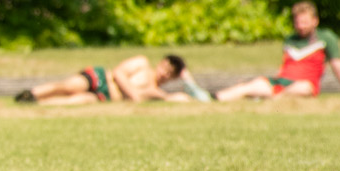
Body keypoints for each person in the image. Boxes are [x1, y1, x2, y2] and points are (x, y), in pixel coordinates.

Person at [215, 0, 340, 100]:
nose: (301, 26)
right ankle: (212, 99)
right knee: (249, 86)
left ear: (315, 21)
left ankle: (270, 99)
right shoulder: (290, 39)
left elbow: (339, 67)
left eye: (305, 22)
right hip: (281, 82)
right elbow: (285, 66)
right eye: (297, 22)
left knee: (303, 89)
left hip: (304, 84)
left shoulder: (325, 38)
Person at [15, 54, 208, 105]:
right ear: (161, 63)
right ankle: (31, 93)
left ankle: (36, 104)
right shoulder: (142, 63)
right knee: (68, 86)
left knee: (77, 101)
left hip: (106, 97)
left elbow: (181, 99)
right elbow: (118, 73)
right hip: (100, 79)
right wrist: (133, 94)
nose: (165, 74)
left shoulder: (155, 91)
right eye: (166, 67)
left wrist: (188, 81)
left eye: (171, 74)